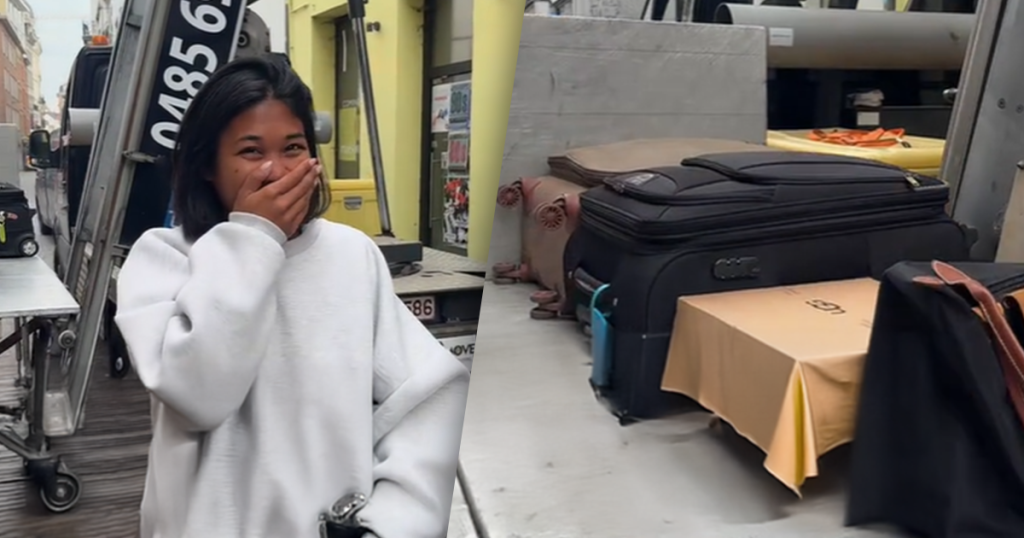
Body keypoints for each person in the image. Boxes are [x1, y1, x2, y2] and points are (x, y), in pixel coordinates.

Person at [114, 55, 470, 538]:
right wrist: (255, 237)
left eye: (293, 148)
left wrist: (391, 522)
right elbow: (198, 395)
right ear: (207, 166)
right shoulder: (163, 259)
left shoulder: (350, 255)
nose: (276, 170)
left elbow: (430, 395)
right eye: (250, 151)